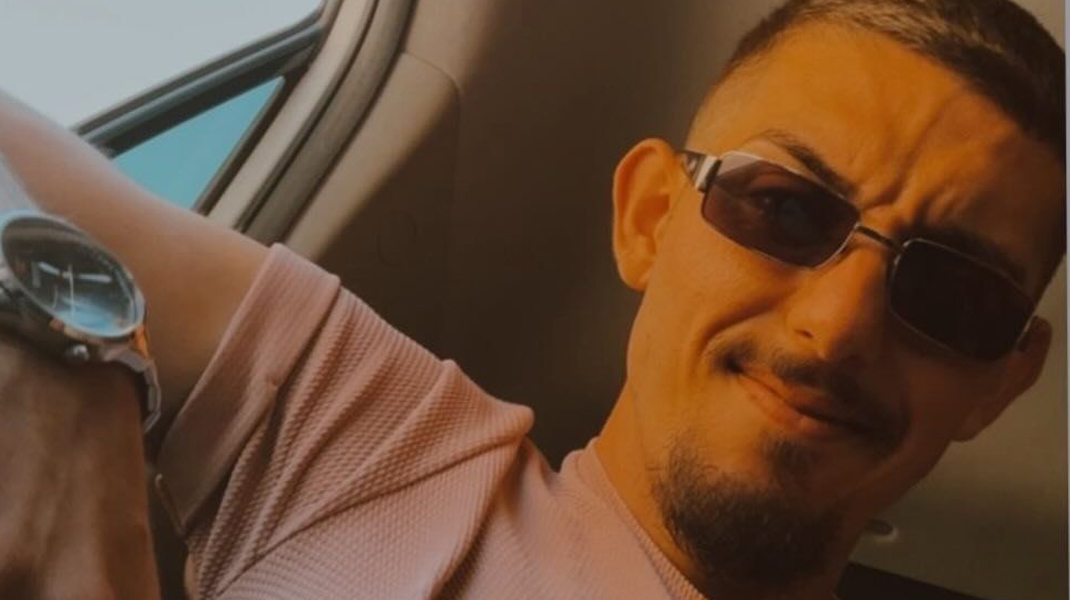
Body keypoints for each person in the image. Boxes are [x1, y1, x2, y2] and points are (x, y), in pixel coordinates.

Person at [0, 0, 1063, 598]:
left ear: (1002, 381)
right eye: (784, 209)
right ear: (648, 216)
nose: (835, 328)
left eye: (952, 294)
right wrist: (65, 364)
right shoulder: (376, 451)